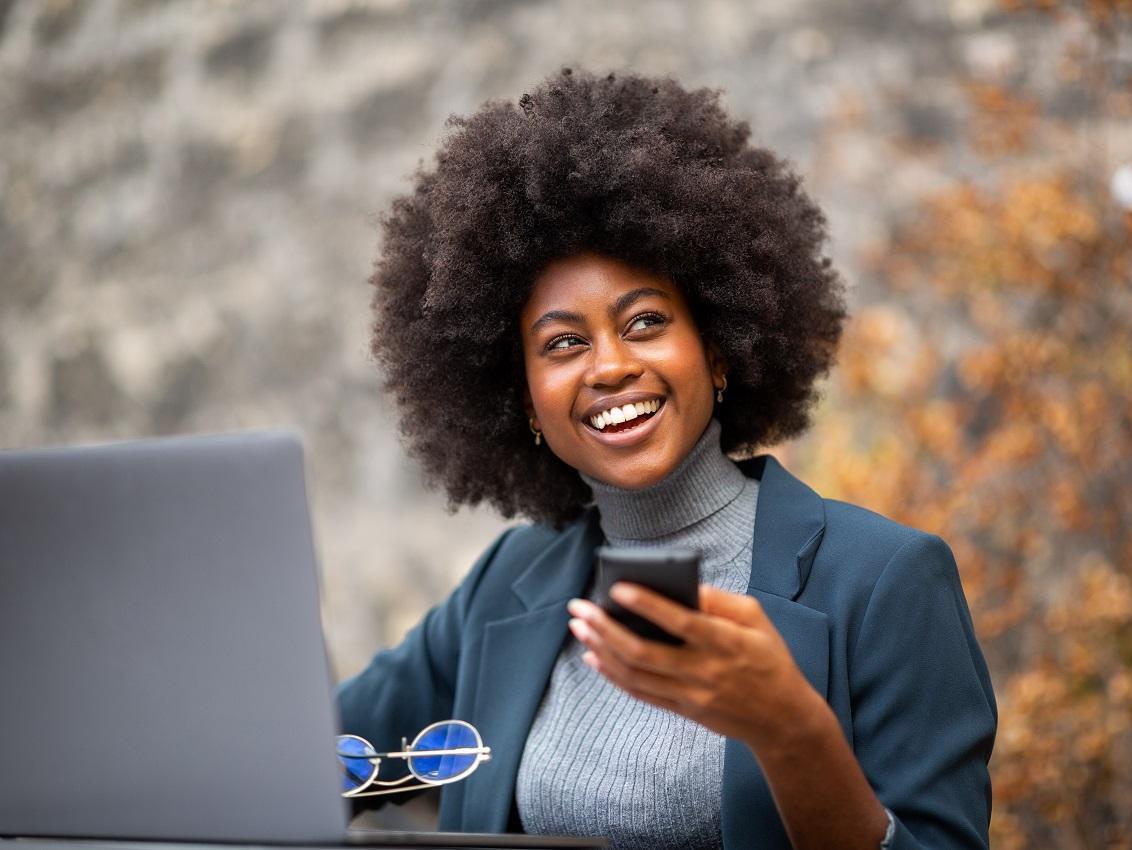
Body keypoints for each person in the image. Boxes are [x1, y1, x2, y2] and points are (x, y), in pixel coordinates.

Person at [338, 67, 997, 850]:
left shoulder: (883, 581)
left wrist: (788, 729)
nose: (609, 365)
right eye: (563, 343)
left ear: (717, 347)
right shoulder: (510, 584)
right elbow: (317, 758)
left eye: (645, 322)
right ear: (523, 400)